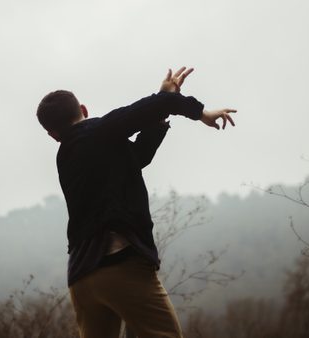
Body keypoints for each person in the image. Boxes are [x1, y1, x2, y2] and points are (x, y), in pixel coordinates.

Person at [36, 67, 236, 338]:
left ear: (52, 135)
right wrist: (201, 113)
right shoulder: (98, 131)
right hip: (118, 263)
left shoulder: (67, 156)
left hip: (82, 277)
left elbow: (137, 156)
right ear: (83, 109)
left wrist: (161, 107)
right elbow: (158, 105)